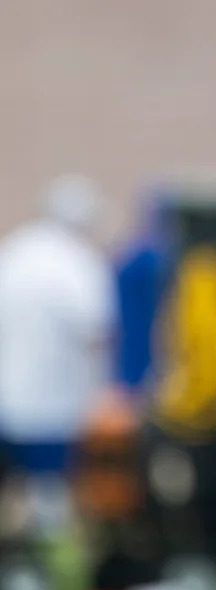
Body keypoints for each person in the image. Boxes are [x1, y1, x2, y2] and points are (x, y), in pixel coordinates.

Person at [0, 174, 116, 536]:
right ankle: (46, 564)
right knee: (50, 491)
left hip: (8, 394)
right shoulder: (78, 263)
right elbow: (96, 329)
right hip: (54, 402)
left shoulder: (14, 251)